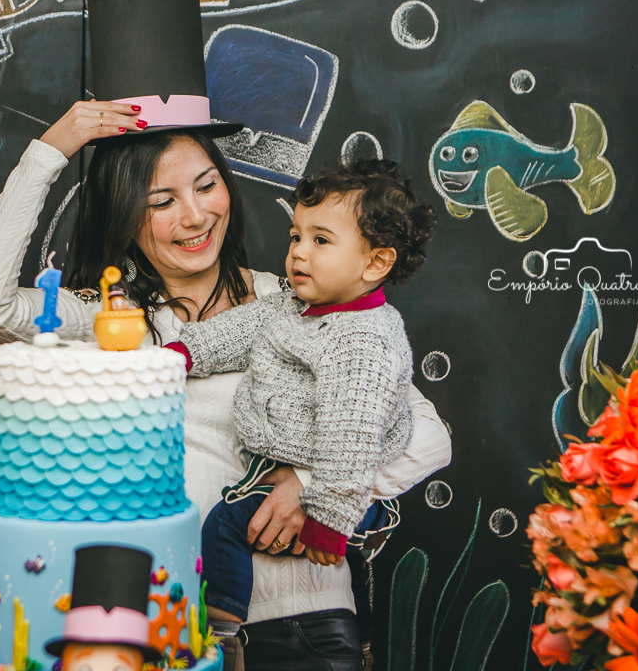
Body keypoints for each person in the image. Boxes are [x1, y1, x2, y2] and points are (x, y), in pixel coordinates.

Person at [0, 101, 451, 671]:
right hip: (160, 630)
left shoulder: (302, 307)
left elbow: (429, 436)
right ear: (126, 217)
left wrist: (307, 486)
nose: (194, 217)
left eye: (207, 186)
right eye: (162, 202)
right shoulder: (111, 322)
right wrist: (53, 150)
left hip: (301, 619)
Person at [165, 159, 436, 637]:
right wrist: (186, 352)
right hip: (296, 467)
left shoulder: (363, 341)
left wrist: (328, 518)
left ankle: (221, 633)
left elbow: (350, 440)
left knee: (225, 527)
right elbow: (242, 328)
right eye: (296, 236)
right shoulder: (297, 305)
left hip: (337, 489)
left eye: (321, 241)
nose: (298, 254)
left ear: (376, 261)